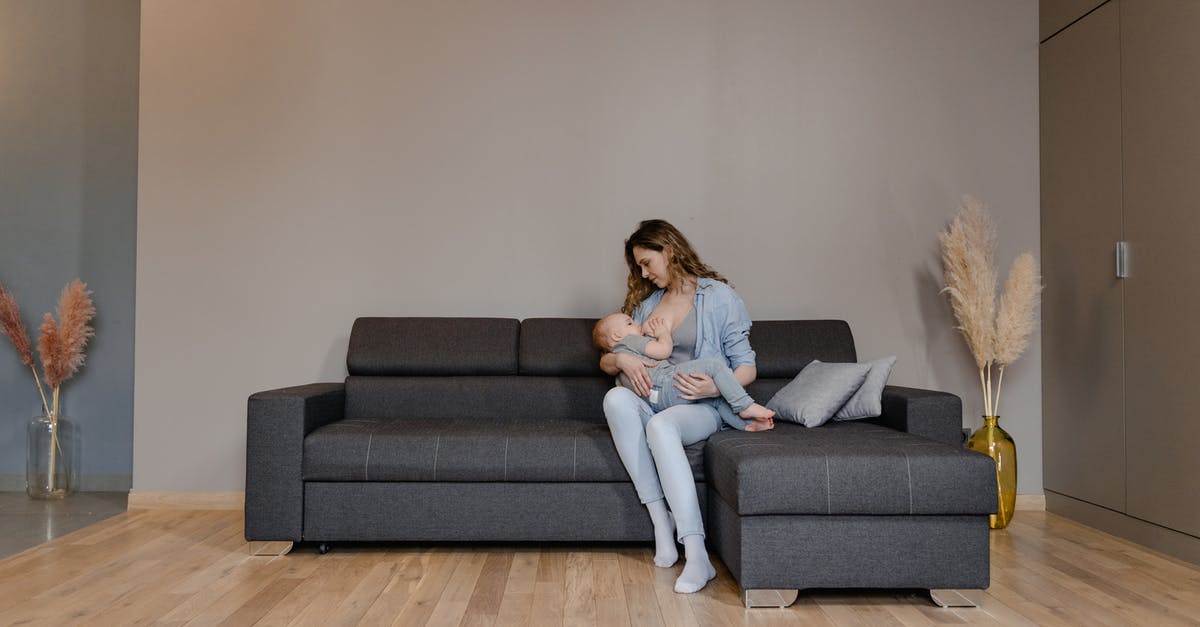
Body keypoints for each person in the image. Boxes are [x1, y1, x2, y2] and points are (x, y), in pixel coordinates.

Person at [600, 219, 769, 594]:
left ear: (669, 251)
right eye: (639, 266)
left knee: (662, 427)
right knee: (614, 398)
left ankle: (696, 555)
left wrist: (714, 385)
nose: (643, 272)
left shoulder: (719, 296)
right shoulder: (644, 307)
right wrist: (622, 362)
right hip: (654, 396)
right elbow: (609, 356)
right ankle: (661, 520)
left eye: (647, 262)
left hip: (700, 403)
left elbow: (747, 367)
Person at [592, 312, 775, 431]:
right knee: (714, 366)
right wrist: (663, 333)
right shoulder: (630, 341)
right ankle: (744, 405)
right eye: (630, 322)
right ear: (617, 336)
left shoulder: (618, 371)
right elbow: (663, 351)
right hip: (665, 383)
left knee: (714, 399)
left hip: (653, 403)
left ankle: (748, 425)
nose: (637, 324)